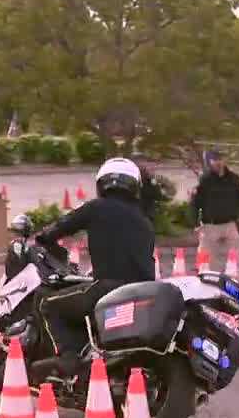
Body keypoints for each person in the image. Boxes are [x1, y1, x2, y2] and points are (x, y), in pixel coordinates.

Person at [33, 157, 156, 377]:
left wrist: (42, 238)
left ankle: (67, 356)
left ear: (102, 183)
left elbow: (63, 225)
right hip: (142, 293)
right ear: (134, 186)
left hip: (109, 288)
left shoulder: (96, 208)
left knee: (47, 303)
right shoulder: (144, 221)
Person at [190, 150, 239, 268]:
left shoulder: (233, 179)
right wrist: (195, 222)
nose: (218, 162)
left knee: (234, 260)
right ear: (210, 162)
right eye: (215, 159)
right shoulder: (206, 180)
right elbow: (196, 202)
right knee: (206, 262)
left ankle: (232, 280)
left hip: (229, 224)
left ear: (224, 160)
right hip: (210, 225)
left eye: (220, 159)